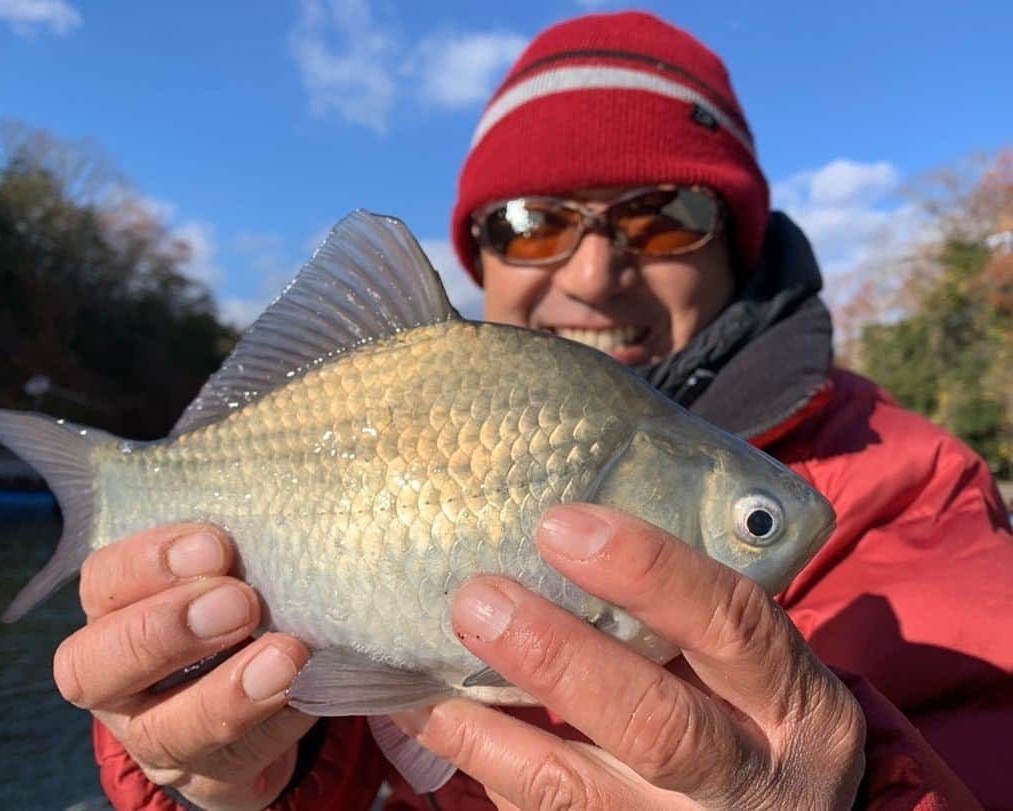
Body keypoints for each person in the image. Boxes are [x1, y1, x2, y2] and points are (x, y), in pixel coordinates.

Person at [60, 11, 1012, 811]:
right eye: (533, 222)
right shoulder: (428, 384)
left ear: (738, 242)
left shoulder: (923, 500)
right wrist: (221, 767)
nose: (595, 274)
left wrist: (850, 795)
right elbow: (359, 725)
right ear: (480, 251)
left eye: (662, 213)